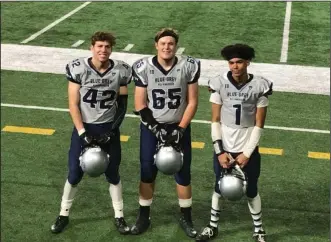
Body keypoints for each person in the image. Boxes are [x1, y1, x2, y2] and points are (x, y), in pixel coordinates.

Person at [50, 31, 132, 235]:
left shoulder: (121, 70)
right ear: (92, 47)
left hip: (108, 128)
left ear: (111, 49)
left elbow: (122, 105)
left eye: (107, 47)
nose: (103, 50)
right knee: (74, 173)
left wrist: (112, 130)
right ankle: (63, 214)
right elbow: (73, 104)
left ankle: (119, 216)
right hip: (85, 127)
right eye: (100, 46)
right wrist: (81, 132)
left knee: (113, 174)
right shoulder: (79, 68)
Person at [195, 44, 272, 242]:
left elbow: (259, 124)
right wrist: (219, 151)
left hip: (247, 146)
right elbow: (214, 120)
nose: (235, 66)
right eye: (231, 63)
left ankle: (259, 230)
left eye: (239, 62)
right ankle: (212, 226)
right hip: (225, 146)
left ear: (247, 63)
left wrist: (247, 153)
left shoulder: (260, 86)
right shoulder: (219, 83)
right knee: (219, 186)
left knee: (252, 189)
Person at [130, 28, 200, 238]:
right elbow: (140, 105)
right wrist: (156, 129)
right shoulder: (144, 67)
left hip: (179, 126)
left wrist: (180, 129)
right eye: (163, 43)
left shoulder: (188, 66)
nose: (167, 47)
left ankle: (186, 217)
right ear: (156, 45)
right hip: (153, 128)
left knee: (183, 173)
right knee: (147, 172)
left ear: (176, 46)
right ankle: (144, 216)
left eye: (171, 43)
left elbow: (193, 101)